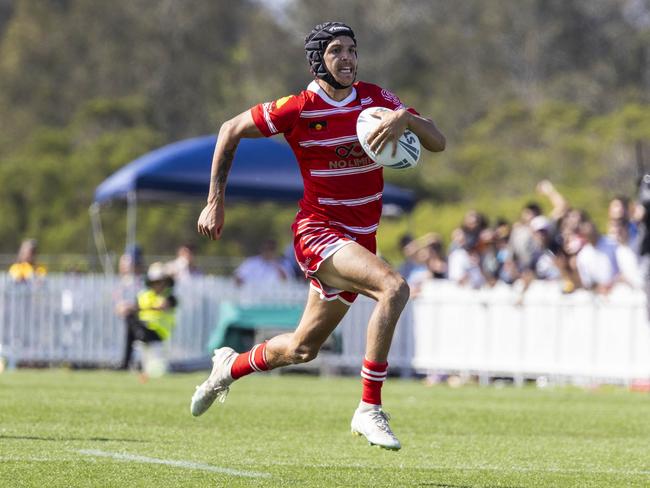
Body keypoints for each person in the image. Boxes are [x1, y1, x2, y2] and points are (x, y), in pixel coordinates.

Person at [191, 21, 445, 450]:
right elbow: (228, 130)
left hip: (360, 241)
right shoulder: (299, 106)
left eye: (352, 50)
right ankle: (369, 408)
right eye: (336, 51)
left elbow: (437, 141)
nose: (347, 58)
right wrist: (215, 201)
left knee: (302, 349)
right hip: (320, 232)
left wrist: (406, 119)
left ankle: (228, 368)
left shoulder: (378, 99)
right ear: (317, 61)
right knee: (394, 287)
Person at [121, 262, 177, 375]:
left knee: (131, 318)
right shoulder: (143, 295)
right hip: (143, 330)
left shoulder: (170, 296)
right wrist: (126, 308)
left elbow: (162, 306)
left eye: (160, 281)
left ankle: (125, 363)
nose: (158, 285)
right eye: (155, 282)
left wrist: (137, 308)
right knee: (129, 318)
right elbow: (135, 308)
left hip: (158, 334)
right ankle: (126, 362)